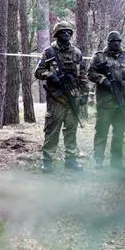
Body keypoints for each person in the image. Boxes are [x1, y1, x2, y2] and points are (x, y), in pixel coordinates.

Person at [34, 21, 88, 173]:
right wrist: (51, 76)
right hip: (56, 100)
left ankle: (71, 160)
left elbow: (83, 75)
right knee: (52, 131)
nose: (66, 34)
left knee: (71, 130)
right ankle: (47, 161)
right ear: (56, 34)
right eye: (63, 32)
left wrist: (85, 95)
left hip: (73, 98)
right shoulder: (49, 52)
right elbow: (38, 72)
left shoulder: (77, 53)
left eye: (68, 32)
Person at [87, 30, 125, 169]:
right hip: (105, 103)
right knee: (102, 132)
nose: (116, 43)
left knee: (119, 134)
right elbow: (90, 73)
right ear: (108, 43)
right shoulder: (99, 57)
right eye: (113, 41)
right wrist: (103, 80)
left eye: (119, 41)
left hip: (122, 103)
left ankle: (116, 162)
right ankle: (98, 160)